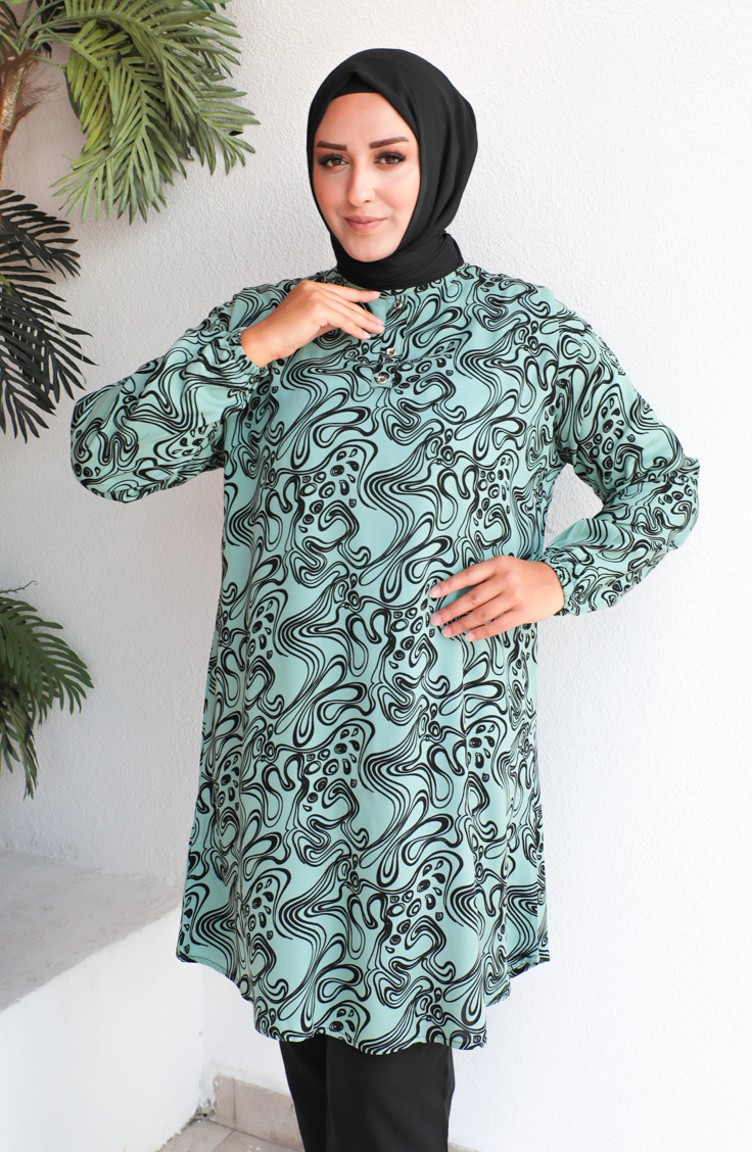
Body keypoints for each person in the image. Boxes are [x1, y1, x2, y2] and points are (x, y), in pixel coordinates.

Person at [70, 47, 699, 1152]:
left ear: (438, 159)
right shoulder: (270, 322)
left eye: (388, 157)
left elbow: (663, 483)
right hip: (285, 778)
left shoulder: (525, 332)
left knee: (391, 1109)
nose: (356, 190)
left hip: (429, 787)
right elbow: (105, 456)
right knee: (321, 1087)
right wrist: (259, 343)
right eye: (330, 160)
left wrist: (560, 575)